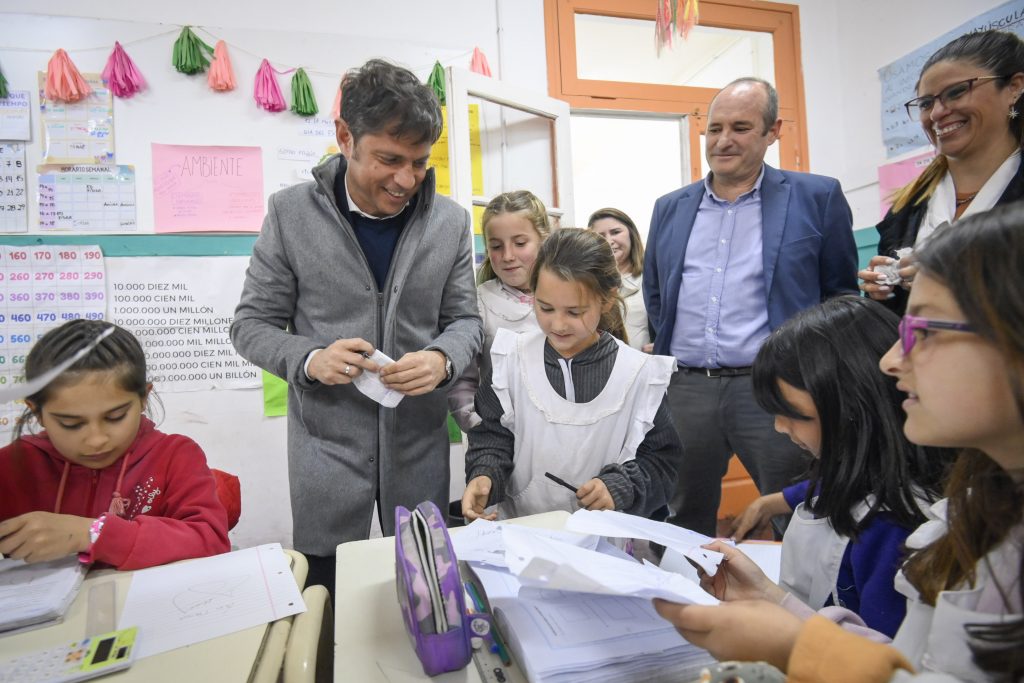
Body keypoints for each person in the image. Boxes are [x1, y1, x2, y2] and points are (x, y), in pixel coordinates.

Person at [654, 202, 1024, 681]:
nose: (892, 361)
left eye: (925, 330)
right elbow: (913, 662)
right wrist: (775, 602)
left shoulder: (908, 521)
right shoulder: (981, 509)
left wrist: (792, 646)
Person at [230, 58, 482, 597]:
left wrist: (442, 359)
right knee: (326, 591)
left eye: (419, 162)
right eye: (389, 160)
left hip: (417, 447)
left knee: (425, 590)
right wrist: (308, 360)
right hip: (326, 449)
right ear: (344, 136)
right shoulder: (290, 214)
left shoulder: (451, 222)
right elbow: (250, 324)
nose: (406, 180)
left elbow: (465, 320)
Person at [644, 76, 858, 537]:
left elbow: (840, 296)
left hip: (775, 386)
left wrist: (813, 375)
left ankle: (800, 607)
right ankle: (687, 603)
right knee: (681, 514)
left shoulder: (816, 198)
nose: (723, 140)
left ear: (772, 131)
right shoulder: (670, 208)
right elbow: (658, 294)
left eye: (740, 127)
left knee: (798, 514)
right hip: (687, 389)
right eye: (715, 128)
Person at [702, 296, 952, 639]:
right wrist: (774, 501)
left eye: (793, 414)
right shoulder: (855, 473)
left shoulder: (891, 532)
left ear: (854, 408)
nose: (779, 427)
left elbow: (883, 662)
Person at [462, 228, 681, 521]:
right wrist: (484, 474)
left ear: (606, 299)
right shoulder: (511, 360)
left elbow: (660, 463)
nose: (558, 324)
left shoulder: (640, 375)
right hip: (521, 536)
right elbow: (492, 437)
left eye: (574, 312)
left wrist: (619, 486)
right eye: (546, 307)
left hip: (601, 546)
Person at [0, 320, 229, 570]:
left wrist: (92, 533)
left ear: (143, 398)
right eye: (70, 423)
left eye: (115, 417)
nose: (96, 439)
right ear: (37, 413)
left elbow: (211, 541)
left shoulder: (175, 456)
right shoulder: (11, 467)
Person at [860, 30, 1024, 315]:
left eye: (956, 92)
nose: (936, 113)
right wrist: (881, 293)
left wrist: (956, 275)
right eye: (925, 103)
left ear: (1015, 87)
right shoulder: (905, 209)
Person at [448, 190, 550, 431]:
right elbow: (462, 382)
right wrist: (481, 430)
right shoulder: (479, 302)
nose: (507, 256)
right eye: (496, 246)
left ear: (544, 240)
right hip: (500, 441)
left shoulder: (566, 294)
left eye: (520, 243)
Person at [588, 207, 652, 352]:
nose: (609, 240)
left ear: (631, 234)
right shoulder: (587, 284)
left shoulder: (653, 279)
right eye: (600, 235)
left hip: (647, 366)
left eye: (616, 232)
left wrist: (663, 345)